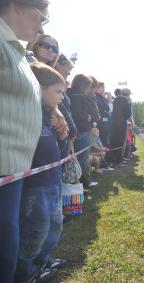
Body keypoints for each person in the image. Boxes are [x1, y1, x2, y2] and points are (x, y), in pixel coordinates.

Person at [0, 1, 49, 281]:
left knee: (8, 247)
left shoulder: (16, 49)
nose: (41, 28)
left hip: (14, 168)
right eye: (41, 17)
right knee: (4, 251)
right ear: (17, 5)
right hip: (3, 166)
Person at [15, 62, 67, 282]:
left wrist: (62, 136)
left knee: (55, 224)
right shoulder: (27, 114)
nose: (62, 97)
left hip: (54, 182)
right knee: (34, 231)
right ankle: (26, 272)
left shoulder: (50, 116)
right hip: (35, 188)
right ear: (40, 88)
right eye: (58, 92)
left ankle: (43, 260)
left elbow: (59, 151)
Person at [68, 74, 99, 187]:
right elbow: (83, 115)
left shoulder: (69, 94)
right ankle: (85, 181)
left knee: (75, 158)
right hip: (82, 130)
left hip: (75, 131)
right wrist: (88, 117)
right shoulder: (80, 97)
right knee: (83, 158)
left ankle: (77, 181)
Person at [108, 88, 132, 166]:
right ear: (127, 94)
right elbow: (128, 114)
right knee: (121, 143)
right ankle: (118, 161)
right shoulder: (127, 101)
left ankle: (111, 160)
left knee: (113, 142)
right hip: (122, 124)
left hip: (113, 123)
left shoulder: (116, 99)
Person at [95, 82, 111, 148]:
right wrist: (109, 100)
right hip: (101, 124)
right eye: (103, 87)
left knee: (104, 141)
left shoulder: (100, 97)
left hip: (103, 122)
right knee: (103, 142)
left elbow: (107, 109)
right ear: (98, 88)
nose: (104, 89)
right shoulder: (97, 97)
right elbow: (107, 108)